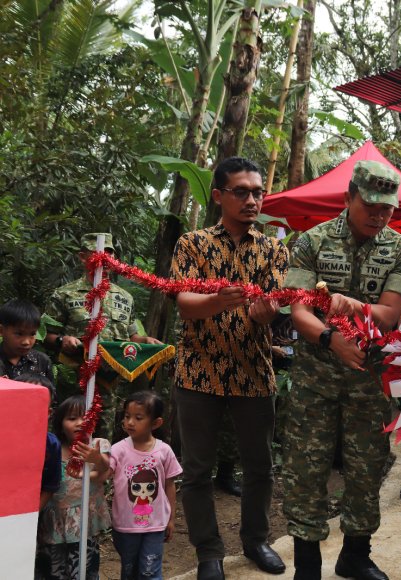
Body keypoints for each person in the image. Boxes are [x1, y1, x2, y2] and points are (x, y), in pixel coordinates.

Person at [283, 159, 401, 580]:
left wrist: (357, 308)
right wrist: (329, 339)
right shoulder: (311, 242)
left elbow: (391, 314)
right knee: (307, 469)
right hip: (314, 381)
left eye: (387, 208)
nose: (378, 215)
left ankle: (355, 554)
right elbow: (299, 310)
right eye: (370, 205)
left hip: (369, 383)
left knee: (366, 468)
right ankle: (307, 564)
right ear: (349, 198)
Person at [171, 156, 289, 579]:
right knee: (197, 469)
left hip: (253, 372)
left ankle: (256, 540)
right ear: (219, 195)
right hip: (198, 373)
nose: (252, 199)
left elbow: (269, 313)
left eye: (257, 192)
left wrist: (264, 313)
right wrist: (221, 300)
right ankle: (209, 553)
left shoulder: (274, 248)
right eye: (241, 191)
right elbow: (185, 303)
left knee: (259, 465)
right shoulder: (192, 244)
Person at [44, 233, 162, 438]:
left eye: (109, 253)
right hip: (74, 382)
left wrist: (146, 341)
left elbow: (132, 338)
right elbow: (45, 334)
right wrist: (63, 341)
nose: (105, 258)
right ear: (83, 256)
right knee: (68, 441)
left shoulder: (125, 298)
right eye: (99, 253)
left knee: (101, 444)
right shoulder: (64, 294)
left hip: (109, 386)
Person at [35, 394, 111, 580]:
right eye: (72, 418)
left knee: (83, 567)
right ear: (60, 422)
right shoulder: (54, 447)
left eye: (84, 417)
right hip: (55, 519)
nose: (79, 423)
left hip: (82, 519)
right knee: (53, 569)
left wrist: (95, 460)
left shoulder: (97, 444)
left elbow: (104, 473)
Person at [109, 391, 182, 579]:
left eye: (138, 418)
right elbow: (103, 474)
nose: (130, 422)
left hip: (155, 525)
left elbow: (169, 485)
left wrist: (171, 518)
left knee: (150, 571)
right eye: (127, 416)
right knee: (129, 571)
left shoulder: (164, 451)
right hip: (125, 525)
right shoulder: (117, 450)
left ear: (156, 423)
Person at [17, 373, 62, 510]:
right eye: (23, 399)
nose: (28, 406)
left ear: (48, 413)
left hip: (25, 512)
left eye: (36, 401)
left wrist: (32, 515)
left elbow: (50, 486)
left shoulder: (51, 444)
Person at [0, 299, 52, 380]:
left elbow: (50, 391)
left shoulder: (42, 361)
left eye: (32, 334)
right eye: (19, 334)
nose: (26, 342)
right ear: (1, 331)